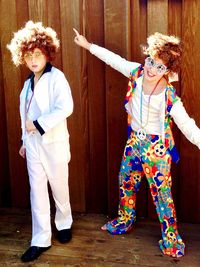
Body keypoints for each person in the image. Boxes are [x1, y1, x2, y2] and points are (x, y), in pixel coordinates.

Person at [73, 28, 200, 258]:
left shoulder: (170, 96)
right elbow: (114, 60)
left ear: (168, 71)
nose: (152, 69)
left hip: (157, 149)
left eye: (160, 66)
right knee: (126, 181)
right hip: (134, 141)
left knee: (162, 194)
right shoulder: (137, 72)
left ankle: (171, 238)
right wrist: (88, 45)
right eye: (151, 61)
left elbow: (188, 127)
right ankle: (124, 220)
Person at [7, 21, 74, 262]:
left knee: (59, 186)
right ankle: (40, 239)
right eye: (28, 55)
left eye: (37, 54)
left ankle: (64, 224)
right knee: (37, 192)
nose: (33, 60)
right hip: (33, 145)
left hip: (53, 143)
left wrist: (37, 124)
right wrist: (25, 140)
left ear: (47, 53)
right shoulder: (26, 85)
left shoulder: (57, 78)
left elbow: (66, 107)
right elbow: (24, 114)